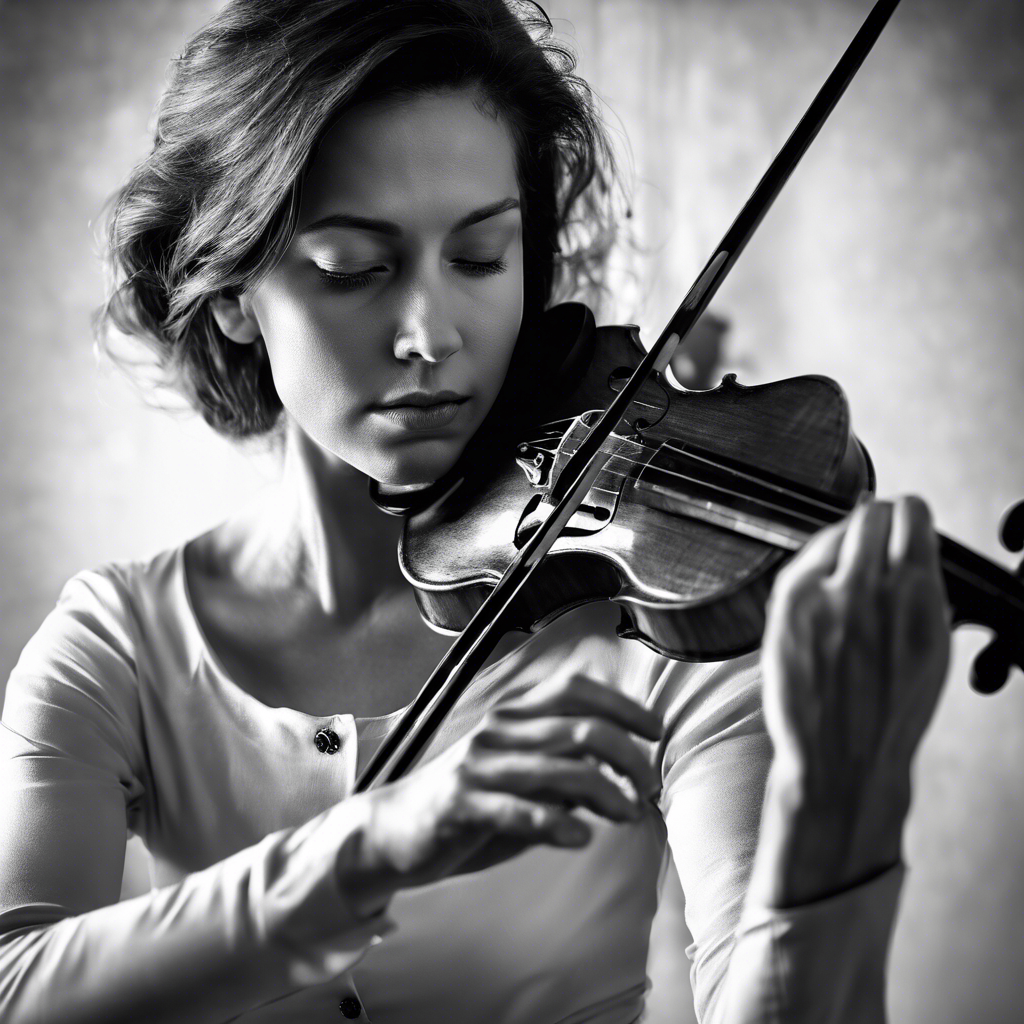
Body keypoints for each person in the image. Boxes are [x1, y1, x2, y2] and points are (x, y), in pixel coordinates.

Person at [0, 2, 951, 1021]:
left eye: (481, 257)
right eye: (354, 268)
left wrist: (837, 826)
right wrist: (365, 847)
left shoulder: (662, 624)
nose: (430, 335)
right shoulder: (122, 642)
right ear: (231, 292)